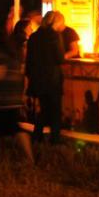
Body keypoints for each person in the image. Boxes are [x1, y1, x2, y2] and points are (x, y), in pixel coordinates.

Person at [0, 34, 33, 164]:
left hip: (0, 100)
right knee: (7, 127)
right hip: (13, 98)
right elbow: (23, 78)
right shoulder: (14, 57)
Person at [26, 11, 65, 144]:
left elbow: (29, 59)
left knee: (44, 109)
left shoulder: (34, 36)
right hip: (53, 78)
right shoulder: (55, 36)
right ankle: (55, 139)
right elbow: (60, 58)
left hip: (38, 78)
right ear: (56, 22)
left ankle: (37, 136)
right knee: (55, 110)